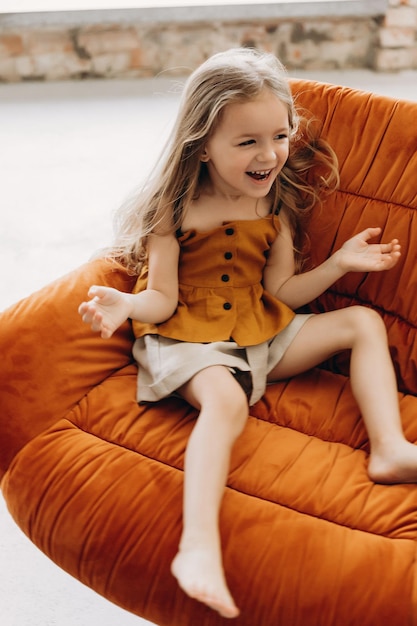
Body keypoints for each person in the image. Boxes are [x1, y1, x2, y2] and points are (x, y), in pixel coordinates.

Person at [78, 48, 417, 619]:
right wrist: (124, 304)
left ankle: (389, 450)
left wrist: (339, 265)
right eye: (247, 143)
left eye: (280, 136)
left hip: (258, 336)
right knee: (226, 399)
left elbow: (281, 295)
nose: (270, 155)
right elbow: (160, 300)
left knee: (362, 321)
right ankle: (198, 547)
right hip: (187, 342)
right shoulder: (175, 212)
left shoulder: (275, 210)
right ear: (201, 145)